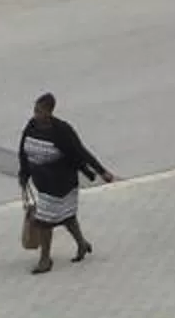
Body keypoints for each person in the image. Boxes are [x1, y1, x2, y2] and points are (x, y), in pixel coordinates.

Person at [18, 92, 114, 273]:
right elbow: (23, 152)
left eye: (40, 111)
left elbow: (81, 152)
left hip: (61, 182)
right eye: (35, 110)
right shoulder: (31, 126)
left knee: (44, 222)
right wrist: (24, 175)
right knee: (67, 217)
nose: (36, 114)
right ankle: (82, 244)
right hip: (42, 181)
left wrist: (102, 171)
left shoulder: (61, 130)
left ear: (50, 111)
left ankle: (45, 260)